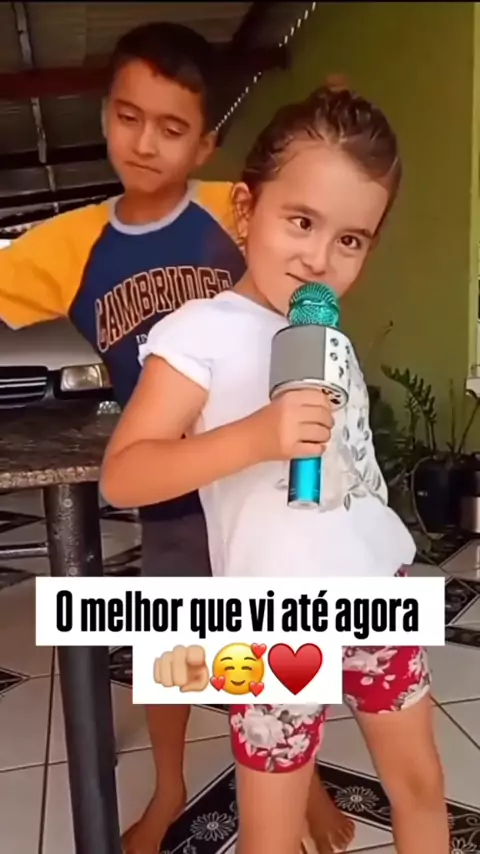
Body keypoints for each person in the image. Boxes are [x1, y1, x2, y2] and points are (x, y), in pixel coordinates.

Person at [0, 23, 352, 854]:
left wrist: (332, 114)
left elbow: (315, 190)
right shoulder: (71, 245)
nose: (146, 142)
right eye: (129, 117)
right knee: (173, 642)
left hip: (265, 473)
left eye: (172, 126)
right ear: (105, 115)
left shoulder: (236, 209)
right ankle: (168, 788)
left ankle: (297, 780)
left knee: (279, 632)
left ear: (204, 144)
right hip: (168, 480)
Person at [100, 85, 449, 854]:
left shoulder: (331, 340)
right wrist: (257, 437)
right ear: (246, 209)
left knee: (422, 784)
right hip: (272, 624)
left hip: (374, 595)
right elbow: (124, 474)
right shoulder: (199, 331)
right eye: (301, 221)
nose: (320, 258)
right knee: (270, 830)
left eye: (351, 239)